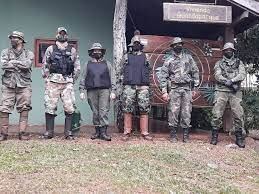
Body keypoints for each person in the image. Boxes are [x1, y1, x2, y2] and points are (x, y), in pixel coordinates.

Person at [42, 27, 80, 140]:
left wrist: (72, 80)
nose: (62, 35)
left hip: (67, 82)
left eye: (64, 34)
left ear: (67, 35)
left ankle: (68, 132)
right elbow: (45, 65)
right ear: (57, 35)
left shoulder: (72, 50)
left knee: (69, 107)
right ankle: (49, 131)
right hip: (53, 82)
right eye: (60, 33)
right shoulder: (50, 49)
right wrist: (47, 78)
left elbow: (77, 67)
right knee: (50, 106)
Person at [159, 37, 199, 143]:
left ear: (182, 45)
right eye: (176, 44)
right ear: (172, 47)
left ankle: (185, 136)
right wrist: (164, 91)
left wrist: (195, 88)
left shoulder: (189, 58)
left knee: (186, 112)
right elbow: (163, 76)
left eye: (180, 44)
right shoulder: (169, 60)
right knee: (173, 112)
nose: (178, 46)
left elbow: (195, 72)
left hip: (187, 89)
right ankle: (173, 135)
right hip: (174, 88)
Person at [115, 35, 153, 141]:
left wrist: (147, 84)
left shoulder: (146, 57)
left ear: (140, 46)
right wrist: (123, 83)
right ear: (132, 45)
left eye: (138, 44)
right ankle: (127, 131)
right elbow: (120, 71)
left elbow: (150, 71)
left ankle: (144, 132)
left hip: (143, 86)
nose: (136, 45)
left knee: (144, 109)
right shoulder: (126, 57)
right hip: (129, 86)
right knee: (127, 109)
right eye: (134, 44)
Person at [211, 42, 246, 148]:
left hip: (235, 92)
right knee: (217, 114)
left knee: (238, 115)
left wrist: (232, 81)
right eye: (227, 50)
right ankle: (214, 137)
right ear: (224, 51)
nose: (229, 51)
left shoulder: (239, 63)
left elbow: (242, 74)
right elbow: (217, 75)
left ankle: (239, 138)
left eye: (231, 50)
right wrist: (226, 81)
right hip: (221, 90)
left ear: (233, 51)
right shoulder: (219, 63)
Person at [0, 31, 34, 141]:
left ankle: (22, 133)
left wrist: (13, 62)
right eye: (11, 38)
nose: (12, 40)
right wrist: (19, 64)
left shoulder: (29, 53)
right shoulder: (5, 52)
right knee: (4, 109)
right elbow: (4, 65)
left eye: (14, 38)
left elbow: (27, 65)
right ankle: (3, 134)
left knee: (24, 108)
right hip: (8, 85)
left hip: (24, 85)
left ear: (21, 40)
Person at [79, 43, 116, 141]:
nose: (97, 52)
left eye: (99, 51)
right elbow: (83, 77)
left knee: (103, 111)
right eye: (95, 51)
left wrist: (113, 91)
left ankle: (104, 132)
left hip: (105, 90)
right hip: (91, 91)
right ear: (91, 53)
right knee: (95, 112)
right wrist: (81, 90)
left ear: (102, 52)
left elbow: (112, 77)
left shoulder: (107, 64)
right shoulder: (87, 64)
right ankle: (97, 131)